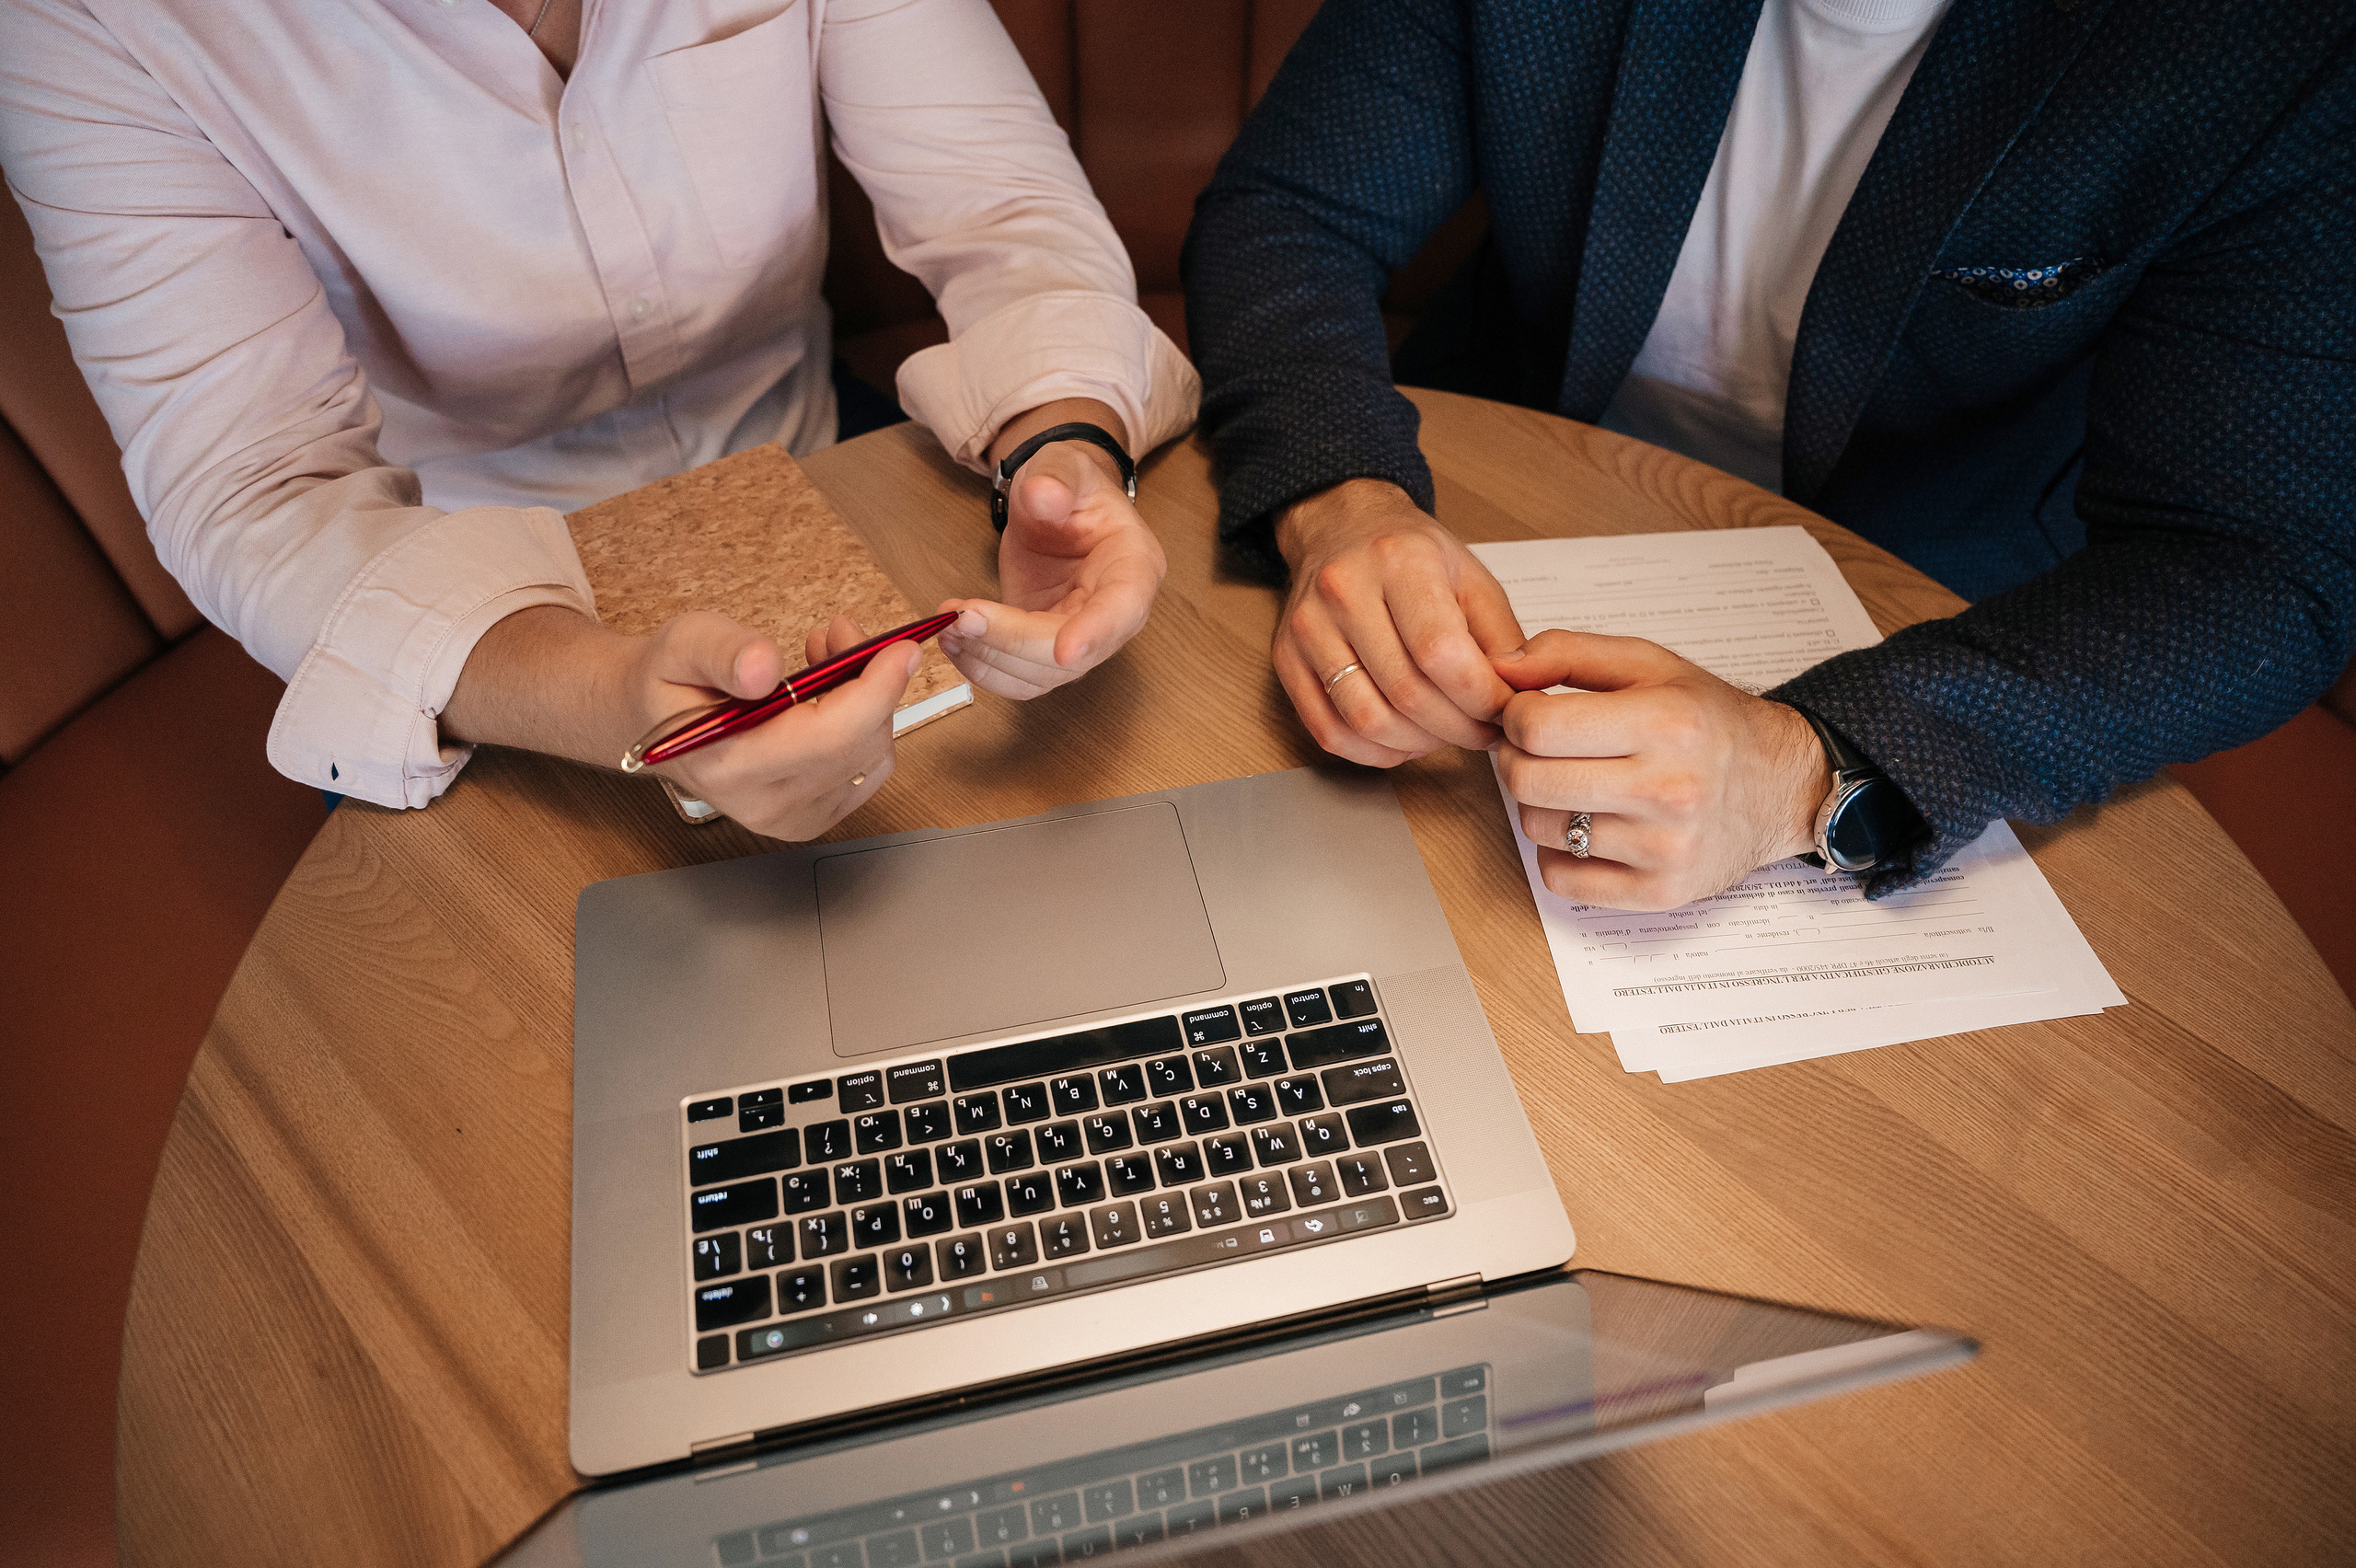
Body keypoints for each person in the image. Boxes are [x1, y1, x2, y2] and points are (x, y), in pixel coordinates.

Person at [1184, 0, 2355, 910]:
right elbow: (1292, 212)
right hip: (1500, 503)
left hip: (1946, 645)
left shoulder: (2265, 42)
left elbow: (2258, 563)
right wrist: (1342, 494)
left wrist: (1806, 772)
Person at [0, 0, 1196, 841]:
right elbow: (254, 486)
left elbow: (1005, 210)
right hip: (475, 628)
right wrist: (606, 697)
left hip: (824, 455)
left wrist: (1066, 449)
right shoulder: (92, 21)